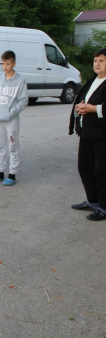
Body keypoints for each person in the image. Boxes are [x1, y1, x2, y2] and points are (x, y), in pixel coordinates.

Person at [69, 48, 106, 221]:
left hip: (102, 134)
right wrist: (80, 107)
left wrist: (92, 108)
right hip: (87, 132)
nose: (97, 64)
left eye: (102, 60)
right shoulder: (92, 81)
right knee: (85, 167)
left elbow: (96, 107)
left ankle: (104, 207)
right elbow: (82, 101)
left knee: (102, 171)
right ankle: (93, 201)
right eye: (95, 60)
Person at [0, 50, 28, 186]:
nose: (5, 66)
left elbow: (23, 101)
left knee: (13, 146)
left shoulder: (20, 81)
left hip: (11, 120)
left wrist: (11, 112)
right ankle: (0, 172)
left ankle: (12, 174)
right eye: (3, 63)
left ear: (14, 63)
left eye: (8, 63)